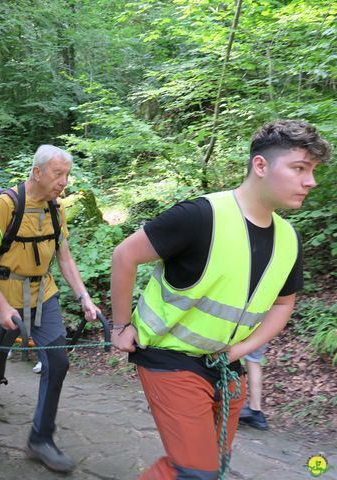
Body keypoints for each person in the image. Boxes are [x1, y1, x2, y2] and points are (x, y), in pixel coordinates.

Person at [110, 119, 331, 479]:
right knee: (195, 471)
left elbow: (283, 304)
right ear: (260, 166)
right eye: (299, 168)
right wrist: (121, 326)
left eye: (313, 171)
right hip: (169, 358)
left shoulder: (289, 239)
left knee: (213, 464)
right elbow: (125, 256)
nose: (310, 181)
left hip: (225, 367)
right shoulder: (200, 216)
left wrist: (238, 351)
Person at [0, 145, 99, 473]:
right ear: (37, 172)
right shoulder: (6, 205)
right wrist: (0, 305)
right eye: (58, 174)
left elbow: (64, 257)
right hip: (6, 293)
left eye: (66, 174)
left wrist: (84, 296)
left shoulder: (56, 209)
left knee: (57, 362)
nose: (63, 182)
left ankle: (41, 439)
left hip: (44, 293)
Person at [239, 344, 269, 430]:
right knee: (253, 359)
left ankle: (225, 407)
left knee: (226, 355)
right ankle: (255, 411)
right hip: (261, 331)